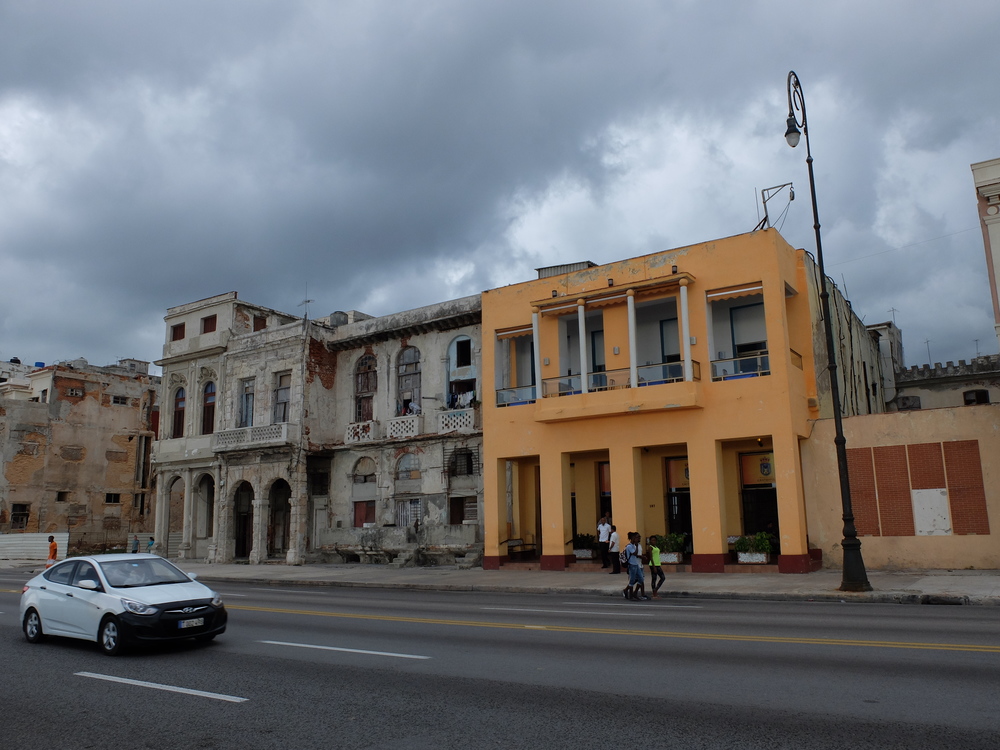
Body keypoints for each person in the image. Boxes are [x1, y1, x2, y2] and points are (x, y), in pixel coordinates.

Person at [624, 532, 649, 600]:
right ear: (632, 538)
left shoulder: (635, 545)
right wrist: (637, 546)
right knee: (632, 580)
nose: (638, 539)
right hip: (632, 565)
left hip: (637, 564)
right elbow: (635, 553)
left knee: (641, 578)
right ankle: (631, 595)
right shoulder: (629, 546)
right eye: (636, 537)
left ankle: (633, 593)